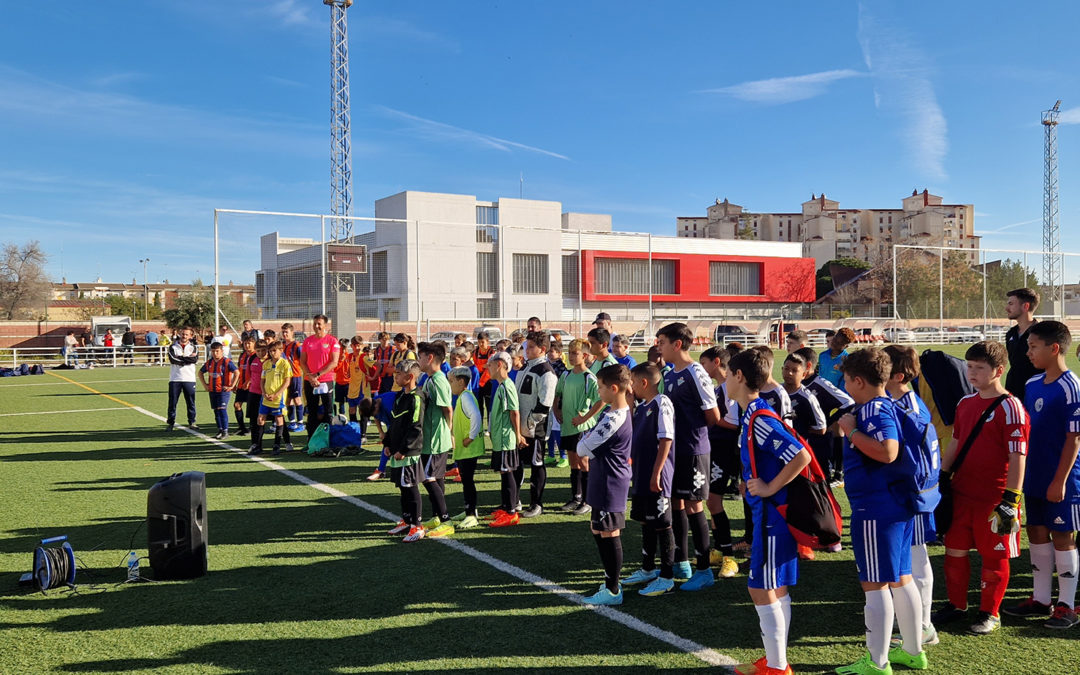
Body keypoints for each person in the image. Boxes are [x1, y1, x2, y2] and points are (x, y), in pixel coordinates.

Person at [835, 348, 928, 674]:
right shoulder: (885, 404)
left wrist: (852, 431)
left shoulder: (871, 410)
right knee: (901, 579)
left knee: (874, 584)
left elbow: (888, 451)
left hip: (876, 507)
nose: (844, 385)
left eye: (846, 380)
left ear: (858, 381)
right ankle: (913, 650)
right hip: (893, 503)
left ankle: (877, 662)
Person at [933, 341, 1028, 636]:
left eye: (979, 368)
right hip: (962, 493)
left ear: (998, 371)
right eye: (969, 367)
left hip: (995, 497)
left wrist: (1010, 500)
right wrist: (943, 476)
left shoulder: (1012, 407)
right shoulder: (965, 403)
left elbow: (1018, 456)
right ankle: (956, 604)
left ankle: (990, 612)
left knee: (994, 556)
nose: (971, 373)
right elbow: (957, 442)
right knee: (955, 551)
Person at [728, 347, 812, 675]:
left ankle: (778, 666)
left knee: (760, 587)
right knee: (775, 587)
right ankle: (776, 659)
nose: (723, 379)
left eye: (727, 373)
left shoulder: (759, 417)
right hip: (770, 513)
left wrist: (768, 487)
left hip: (772, 516)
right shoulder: (753, 413)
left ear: (739, 377)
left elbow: (801, 455)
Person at [1003, 320, 1080, 629]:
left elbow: (1074, 439)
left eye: (1034, 346)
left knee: (1063, 536)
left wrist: (1059, 481)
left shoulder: (1071, 386)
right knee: (1035, 532)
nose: (1028, 351)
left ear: (1054, 348)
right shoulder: (1033, 383)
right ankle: (1041, 598)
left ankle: (1066, 606)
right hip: (1033, 476)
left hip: (1061, 479)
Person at [882, 344, 939, 645]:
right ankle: (916, 622)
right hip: (905, 492)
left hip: (912, 493)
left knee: (916, 557)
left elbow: (918, 458)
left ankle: (924, 625)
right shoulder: (897, 401)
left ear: (898, 374)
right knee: (908, 558)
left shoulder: (909, 408)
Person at [657, 322, 721, 590]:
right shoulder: (669, 375)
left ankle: (704, 569)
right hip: (676, 451)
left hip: (694, 450)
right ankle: (682, 561)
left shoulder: (696, 372)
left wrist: (691, 432)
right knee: (676, 503)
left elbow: (713, 415)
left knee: (695, 505)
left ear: (677, 344)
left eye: (661, 342)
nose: (658, 346)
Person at [576, 363, 633, 606]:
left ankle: (612, 589)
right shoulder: (610, 414)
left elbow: (582, 447)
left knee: (609, 531)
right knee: (598, 529)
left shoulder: (614, 419)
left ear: (613, 388)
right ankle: (610, 581)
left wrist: (587, 440)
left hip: (610, 481)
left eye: (600, 387)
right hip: (603, 478)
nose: (598, 392)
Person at [621, 362, 678, 597]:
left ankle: (667, 576)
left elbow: (666, 439)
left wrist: (657, 473)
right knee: (645, 520)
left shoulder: (662, 403)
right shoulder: (643, 406)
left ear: (644, 382)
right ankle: (648, 568)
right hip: (642, 474)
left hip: (657, 475)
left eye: (633, 382)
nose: (630, 387)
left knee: (662, 523)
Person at [698, 346, 741, 578]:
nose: (702, 369)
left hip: (726, 451)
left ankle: (729, 557)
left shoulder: (728, 388)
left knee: (714, 502)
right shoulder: (718, 388)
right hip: (714, 449)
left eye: (704, 364)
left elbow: (733, 423)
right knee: (711, 502)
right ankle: (718, 549)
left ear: (716, 362)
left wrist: (708, 418)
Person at [795, 346, 855, 492]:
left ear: (808, 366)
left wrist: (827, 422)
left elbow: (848, 403)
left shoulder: (820, 383)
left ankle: (828, 510)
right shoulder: (796, 385)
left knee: (821, 480)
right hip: (800, 439)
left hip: (819, 441)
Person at [554, 339, 601, 515]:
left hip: (582, 428)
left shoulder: (588, 377)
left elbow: (601, 401)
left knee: (584, 462)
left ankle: (588, 501)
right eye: (570, 353)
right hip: (567, 426)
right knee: (573, 463)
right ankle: (576, 497)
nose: (572, 356)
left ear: (585, 355)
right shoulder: (565, 375)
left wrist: (585, 417)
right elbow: (557, 394)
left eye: (576, 353)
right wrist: (556, 410)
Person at [515, 331, 558, 518]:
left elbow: (544, 404)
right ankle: (514, 501)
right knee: (516, 464)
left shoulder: (546, 372)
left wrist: (529, 423)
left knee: (536, 465)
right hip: (520, 430)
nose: (527, 350)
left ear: (542, 349)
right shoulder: (526, 367)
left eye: (531, 347)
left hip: (535, 430)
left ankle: (537, 504)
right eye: (526, 346)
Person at [384, 359, 427, 543]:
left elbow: (416, 427)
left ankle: (417, 526)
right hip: (397, 451)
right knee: (402, 487)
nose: (396, 377)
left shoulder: (417, 398)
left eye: (399, 374)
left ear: (410, 377)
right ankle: (407, 520)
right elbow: (393, 423)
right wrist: (387, 443)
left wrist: (404, 449)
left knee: (410, 487)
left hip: (408, 453)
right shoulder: (400, 396)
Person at [418, 342, 455, 538]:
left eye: (421, 356)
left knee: (428, 477)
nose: (419, 360)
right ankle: (437, 517)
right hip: (431, 438)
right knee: (437, 477)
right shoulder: (429, 379)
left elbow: (447, 408)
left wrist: (449, 431)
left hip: (435, 439)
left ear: (430, 358)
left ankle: (446, 520)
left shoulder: (438, 380)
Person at [487, 351, 523, 527]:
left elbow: (514, 412)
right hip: (500, 439)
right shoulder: (501, 386)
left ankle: (511, 512)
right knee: (504, 472)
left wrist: (517, 435)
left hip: (506, 439)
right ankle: (506, 507)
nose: (488, 368)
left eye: (491, 365)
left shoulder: (507, 386)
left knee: (507, 472)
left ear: (500, 365)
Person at [449, 366, 483, 529]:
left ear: (461, 381)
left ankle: (471, 515)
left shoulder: (465, 397)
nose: (450, 385)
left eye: (452, 381)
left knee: (468, 481)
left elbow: (476, 415)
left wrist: (470, 437)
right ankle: (470, 510)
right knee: (466, 481)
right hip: (464, 449)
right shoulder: (463, 396)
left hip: (469, 449)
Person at [299, 314, 341, 441]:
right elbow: (302, 361)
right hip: (309, 381)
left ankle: (328, 438)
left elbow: (334, 362)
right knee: (311, 411)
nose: (316, 326)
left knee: (328, 412)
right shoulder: (307, 341)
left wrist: (317, 375)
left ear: (325, 326)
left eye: (319, 324)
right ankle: (311, 438)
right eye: (315, 323)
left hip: (326, 381)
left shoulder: (333, 341)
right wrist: (310, 377)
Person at [256, 340, 293, 456]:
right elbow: (262, 381)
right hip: (266, 397)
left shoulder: (285, 364)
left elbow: (287, 382)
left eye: (274, 351)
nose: (272, 353)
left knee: (279, 419)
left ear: (281, 351)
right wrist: (263, 392)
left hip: (278, 398)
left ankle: (276, 445)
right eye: (270, 351)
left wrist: (276, 394)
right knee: (260, 419)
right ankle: (258, 445)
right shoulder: (266, 364)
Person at [1004, 287, 1041, 399]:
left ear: (1025, 306)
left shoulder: (1041, 333)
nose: (1007, 308)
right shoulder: (1011, 333)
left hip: (1035, 393)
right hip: (1012, 392)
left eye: (1011, 304)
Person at [199, 341, 238, 439]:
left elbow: (237, 372)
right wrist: (205, 385)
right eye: (213, 351)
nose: (215, 353)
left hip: (223, 391)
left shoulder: (226, 362)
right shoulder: (210, 362)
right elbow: (200, 372)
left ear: (222, 351)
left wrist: (232, 386)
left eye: (217, 351)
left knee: (222, 409)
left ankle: (225, 431)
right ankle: (220, 430)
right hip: (212, 390)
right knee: (216, 411)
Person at [165, 327, 199, 431]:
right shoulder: (173, 346)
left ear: (191, 336)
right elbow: (172, 359)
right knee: (173, 402)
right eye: (183, 334)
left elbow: (194, 359)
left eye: (187, 334)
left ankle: (192, 421)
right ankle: (171, 423)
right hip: (175, 379)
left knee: (191, 402)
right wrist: (186, 360)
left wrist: (181, 359)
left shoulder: (194, 347)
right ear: (180, 334)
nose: (184, 336)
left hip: (189, 378)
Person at [546, 341, 569, 468]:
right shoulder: (546, 364)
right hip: (547, 401)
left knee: (557, 428)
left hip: (557, 402)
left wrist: (558, 401)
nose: (549, 354)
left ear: (560, 354)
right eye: (548, 351)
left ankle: (563, 456)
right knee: (548, 428)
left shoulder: (562, 368)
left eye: (552, 351)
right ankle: (550, 455)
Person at [280, 323, 305, 431]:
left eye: (287, 332)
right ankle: (292, 422)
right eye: (283, 332)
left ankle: (300, 423)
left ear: (292, 333)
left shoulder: (297, 345)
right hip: (286, 377)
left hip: (295, 376)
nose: (285, 334)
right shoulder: (282, 346)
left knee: (297, 399)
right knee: (288, 400)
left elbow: (303, 360)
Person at [232, 334, 256, 436]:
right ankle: (242, 428)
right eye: (245, 343)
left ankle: (252, 427)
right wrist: (234, 384)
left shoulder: (256, 355)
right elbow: (239, 370)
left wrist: (249, 381)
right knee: (237, 405)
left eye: (249, 343)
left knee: (251, 408)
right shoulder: (242, 355)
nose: (247, 346)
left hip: (252, 386)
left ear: (254, 344)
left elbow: (257, 372)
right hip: (242, 385)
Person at [246, 339, 267, 453]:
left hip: (266, 394)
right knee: (254, 421)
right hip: (253, 393)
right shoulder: (252, 359)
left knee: (277, 419)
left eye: (263, 350)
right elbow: (250, 375)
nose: (260, 353)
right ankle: (255, 444)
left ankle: (283, 443)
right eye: (258, 350)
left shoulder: (270, 361)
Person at [819, 327, 855, 392]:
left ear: (846, 346)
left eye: (839, 343)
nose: (834, 343)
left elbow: (846, 385)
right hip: (821, 392)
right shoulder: (822, 355)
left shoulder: (848, 361)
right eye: (835, 339)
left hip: (837, 397)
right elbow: (820, 375)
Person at [472, 333, 495, 422]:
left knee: (489, 405)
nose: (480, 344)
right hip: (478, 381)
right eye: (479, 342)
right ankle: (479, 426)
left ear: (487, 341)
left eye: (482, 342)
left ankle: (489, 427)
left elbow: (489, 368)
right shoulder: (476, 352)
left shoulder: (491, 352)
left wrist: (482, 381)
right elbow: (476, 367)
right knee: (479, 405)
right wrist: (483, 365)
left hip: (488, 381)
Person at [334, 338, 351, 416]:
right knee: (341, 402)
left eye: (345, 347)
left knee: (350, 401)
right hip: (339, 382)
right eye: (342, 347)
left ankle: (352, 416)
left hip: (348, 382)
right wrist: (341, 360)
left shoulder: (350, 356)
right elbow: (335, 369)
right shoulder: (337, 357)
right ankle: (342, 417)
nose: (343, 349)